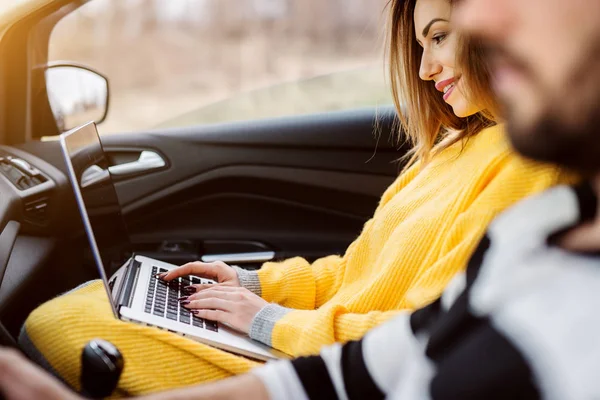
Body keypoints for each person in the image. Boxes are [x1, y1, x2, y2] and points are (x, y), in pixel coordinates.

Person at [17, 0, 571, 395]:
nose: (425, 70)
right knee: (95, 300)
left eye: (441, 36)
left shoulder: (530, 172)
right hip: (303, 337)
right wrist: (252, 286)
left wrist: (265, 322)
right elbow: (354, 272)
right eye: (421, 45)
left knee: (62, 326)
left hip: (325, 359)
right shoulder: (455, 147)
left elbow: (419, 336)